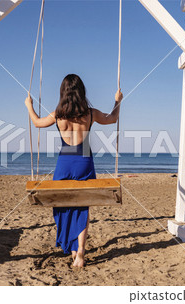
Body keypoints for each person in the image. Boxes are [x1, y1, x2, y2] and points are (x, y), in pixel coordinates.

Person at [25, 74, 122, 268]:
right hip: (84, 159)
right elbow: (113, 119)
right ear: (81, 92)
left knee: (62, 204)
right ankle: (80, 252)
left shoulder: (58, 115)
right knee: (82, 206)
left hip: (65, 161)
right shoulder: (90, 113)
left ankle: (71, 248)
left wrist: (29, 105)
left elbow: (37, 122)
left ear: (63, 92)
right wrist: (117, 101)